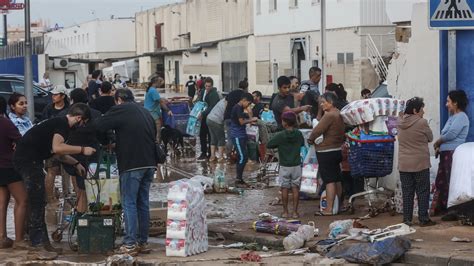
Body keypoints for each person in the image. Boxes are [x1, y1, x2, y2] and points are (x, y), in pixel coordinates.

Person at [13, 103, 95, 255]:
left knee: (39, 201)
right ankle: (37, 245)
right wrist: (83, 149)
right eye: (84, 122)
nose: (83, 125)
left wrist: (76, 163)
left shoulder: (59, 125)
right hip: (27, 161)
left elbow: (59, 154)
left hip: (30, 160)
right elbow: (58, 148)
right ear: (79, 118)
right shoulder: (62, 124)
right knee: (37, 201)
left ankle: (43, 243)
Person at [95, 88, 157, 255]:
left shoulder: (120, 109)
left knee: (129, 203)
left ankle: (130, 243)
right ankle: (143, 242)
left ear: (119, 100)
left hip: (132, 164)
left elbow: (99, 125)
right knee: (142, 203)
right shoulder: (144, 111)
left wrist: (108, 140)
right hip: (150, 163)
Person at [59, 89, 102, 214]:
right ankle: (90, 212)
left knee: (79, 185)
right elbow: (102, 134)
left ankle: (80, 213)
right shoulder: (97, 114)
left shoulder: (63, 115)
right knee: (92, 185)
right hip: (92, 155)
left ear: (71, 100)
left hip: (69, 155)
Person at [431, 90, 470, 220]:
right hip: (445, 153)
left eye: (448, 101)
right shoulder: (452, 117)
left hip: (453, 153)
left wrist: (438, 142)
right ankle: (444, 207)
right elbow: (446, 134)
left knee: (450, 181)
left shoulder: (462, 117)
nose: (446, 104)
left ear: (456, 103)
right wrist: (439, 147)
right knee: (442, 181)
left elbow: (451, 134)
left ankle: (452, 210)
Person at [398, 97, 436, 227]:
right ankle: (423, 218)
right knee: (422, 191)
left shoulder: (399, 122)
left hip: (404, 165)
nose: (423, 112)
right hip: (420, 163)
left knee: (407, 192)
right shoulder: (422, 122)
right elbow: (430, 138)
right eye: (421, 109)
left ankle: (407, 220)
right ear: (415, 110)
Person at [308, 93, 345, 216]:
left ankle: (329, 209)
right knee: (337, 179)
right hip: (337, 149)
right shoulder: (338, 113)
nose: (321, 104)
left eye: (323, 102)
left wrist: (310, 139)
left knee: (329, 180)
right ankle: (339, 206)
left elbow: (318, 130)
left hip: (326, 151)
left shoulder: (329, 115)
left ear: (331, 102)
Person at [0, 97, 27, 249]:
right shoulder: (5, 123)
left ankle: (2, 237)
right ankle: (19, 239)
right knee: (22, 200)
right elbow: (21, 141)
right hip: (8, 166)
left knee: (2, 203)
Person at [267, 111, 304, 219]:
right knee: (295, 188)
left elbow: (269, 144)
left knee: (284, 189)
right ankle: (295, 213)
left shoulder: (280, 135)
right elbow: (302, 143)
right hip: (296, 165)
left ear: (285, 123)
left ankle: (285, 212)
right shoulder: (298, 134)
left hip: (284, 166)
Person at [41, 85, 70, 205]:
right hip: (51, 146)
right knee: (51, 170)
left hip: (66, 145)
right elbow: (43, 124)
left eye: (56, 94)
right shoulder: (48, 109)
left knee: (66, 172)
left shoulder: (69, 109)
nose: (53, 96)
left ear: (63, 96)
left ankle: (67, 197)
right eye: (52, 94)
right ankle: (50, 198)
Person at [230, 93, 257, 187]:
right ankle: (238, 179)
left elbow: (242, 117)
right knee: (242, 157)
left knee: (243, 156)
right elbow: (241, 122)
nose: (248, 106)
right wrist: (251, 120)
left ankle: (240, 179)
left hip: (241, 135)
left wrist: (249, 115)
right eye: (248, 103)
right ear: (244, 100)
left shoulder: (240, 108)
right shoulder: (237, 107)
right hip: (237, 135)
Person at [144, 76, 172, 145]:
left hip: (148, 112)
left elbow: (158, 100)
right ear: (156, 82)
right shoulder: (153, 91)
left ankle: (153, 143)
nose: (161, 84)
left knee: (151, 129)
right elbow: (161, 102)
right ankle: (157, 144)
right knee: (158, 129)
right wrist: (168, 110)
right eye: (160, 82)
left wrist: (163, 99)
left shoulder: (150, 89)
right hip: (152, 113)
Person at [197, 77, 220, 161]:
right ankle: (203, 152)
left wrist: (203, 113)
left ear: (212, 86)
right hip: (203, 117)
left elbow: (212, 106)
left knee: (210, 136)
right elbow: (200, 102)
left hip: (210, 117)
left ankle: (211, 153)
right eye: (206, 86)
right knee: (202, 135)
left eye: (209, 86)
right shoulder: (203, 91)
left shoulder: (214, 94)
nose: (207, 88)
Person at [224, 79, 249, 156]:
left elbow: (225, 103)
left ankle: (228, 156)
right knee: (238, 136)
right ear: (246, 87)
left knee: (229, 137)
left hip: (227, 116)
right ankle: (239, 155)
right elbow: (246, 108)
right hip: (236, 118)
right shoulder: (244, 95)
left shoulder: (231, 93)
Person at [206, 98, 227, 163]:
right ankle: (220, 157)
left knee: (213, 138)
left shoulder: (221, 101)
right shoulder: (227, 104)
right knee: (221, 138)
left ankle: (212, 156)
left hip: (209, 118)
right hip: (217, 121)